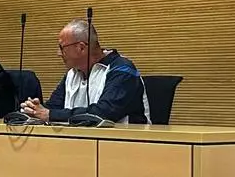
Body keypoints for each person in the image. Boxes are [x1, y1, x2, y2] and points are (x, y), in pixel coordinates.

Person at [20, 18, 150, 124]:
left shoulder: (122, 69)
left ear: (81, 48)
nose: (58, 53)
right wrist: (34, 110)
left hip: (126, 143)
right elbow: (54, 107)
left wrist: (50, 114)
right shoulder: (72, 73)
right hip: (81, 142)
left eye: (62, 47)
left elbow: (103, 114)